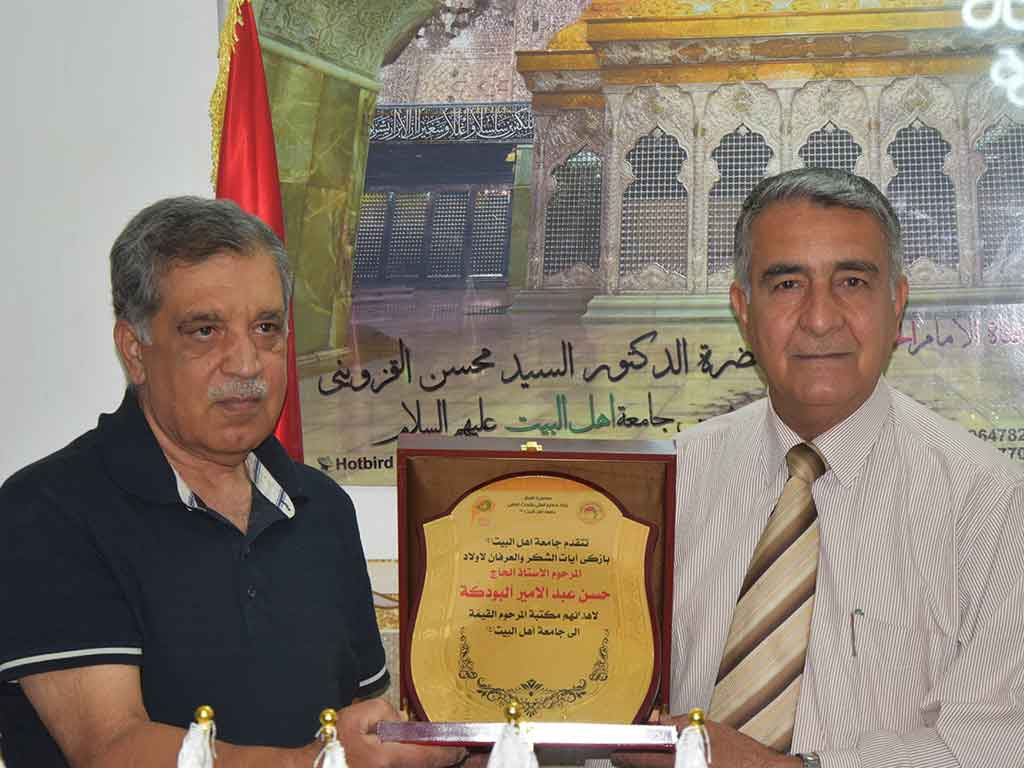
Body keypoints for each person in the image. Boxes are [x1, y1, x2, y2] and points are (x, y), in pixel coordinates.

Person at [0, 198, 464, 768]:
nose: (246, 364)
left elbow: (359, 724)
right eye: (205, 331)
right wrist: (313, 763)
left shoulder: (322, 509)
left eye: (266, 328)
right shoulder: (48, 511)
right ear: (135, 351)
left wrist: (469, 742)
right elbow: (111, 749)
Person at [629, 168, 1024, 768]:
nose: (820, 318)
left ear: (897, 303)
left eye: (852, 282)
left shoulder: (991, 503)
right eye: (787, 283)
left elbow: (998, 746)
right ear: (744, 309)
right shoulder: (666, 485)